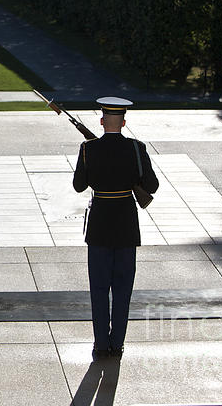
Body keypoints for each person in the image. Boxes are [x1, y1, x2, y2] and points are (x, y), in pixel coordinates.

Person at [72, 96, 158, 360]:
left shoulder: (88, 148)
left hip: (99, 224)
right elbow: (152, 186)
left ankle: (100, 344)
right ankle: (117, 343)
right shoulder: (136, 148)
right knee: (122, 288)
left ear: (101, 121)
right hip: (125, 224)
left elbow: (79, 186)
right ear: (123, 121)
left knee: (98, 288)